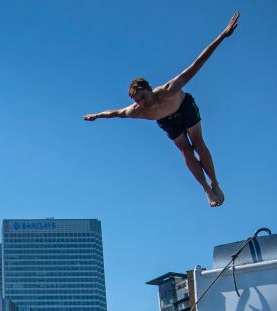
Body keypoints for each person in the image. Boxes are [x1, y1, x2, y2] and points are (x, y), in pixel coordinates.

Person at [83, 12, 240, 207]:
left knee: (198, 143)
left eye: (143, 96)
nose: (142, 103)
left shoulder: (169, 90)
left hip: (183, 106)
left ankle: (215, 183)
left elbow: (197, 63)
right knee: (186, 151)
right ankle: (207, 190)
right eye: (137, 100)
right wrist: (95, 116)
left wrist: (222, 35)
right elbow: (114, 113)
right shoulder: (136, 111)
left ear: (149, 89)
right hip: (167, 120)